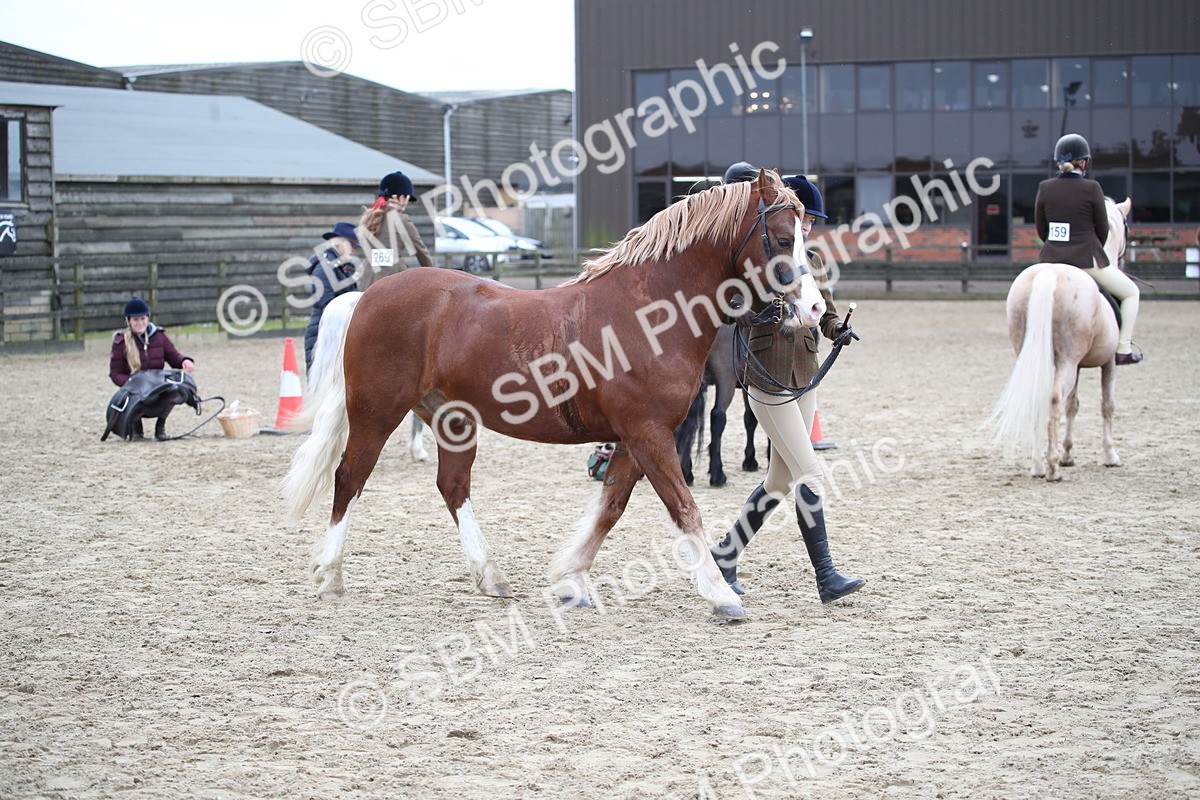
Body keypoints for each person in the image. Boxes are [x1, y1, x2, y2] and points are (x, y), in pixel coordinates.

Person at [710, 169, 865, 603]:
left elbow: (826, 310)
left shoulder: (810, 261)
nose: (809, 226)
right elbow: (737, 306)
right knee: (809, 473)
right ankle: (826, 576)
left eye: (812, 220)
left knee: (779, 480)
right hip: (769, 376)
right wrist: (772, 315)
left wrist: (838, 329)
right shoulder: (761, 258)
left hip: (804, 373)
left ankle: (725, 554)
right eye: (805, 218)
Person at [1036, 133, 1142, 364]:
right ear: (1083, 163)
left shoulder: (1045, 188)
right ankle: (1123, 349)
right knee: (1132, 292)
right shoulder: (1092, 188)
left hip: (1050, 260)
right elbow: (1103, 231)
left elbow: (1041, 230)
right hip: (1086, 259)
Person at [109, 296, 195, 441]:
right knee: (135, 395)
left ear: (148, 318)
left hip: (157, 385)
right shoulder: (120, 342)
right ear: (128, 321)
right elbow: (115, 373)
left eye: (142, 318)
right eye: (135, 319)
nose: (140, 323)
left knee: (174, 390)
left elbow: (173, 356)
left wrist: (184, 360)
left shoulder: (160, 337)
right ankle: (137, 428)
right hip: (135, 389)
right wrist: (130, 382)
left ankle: (160, 427)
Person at [355, 170, 434, 291]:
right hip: (392, 282)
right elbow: (420, 251)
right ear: (400, 197)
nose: (407, 202)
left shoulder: (368, 217)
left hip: (367, 280)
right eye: (407, 197)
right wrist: (435, 273)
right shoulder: (402, 220)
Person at [304, 222, 361, 372]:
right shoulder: (324, 268)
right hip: (324, 331)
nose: (354, 250)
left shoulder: (343, 266)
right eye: (352, 245)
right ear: (338, 242)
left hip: (337, 328)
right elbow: (327, 302)